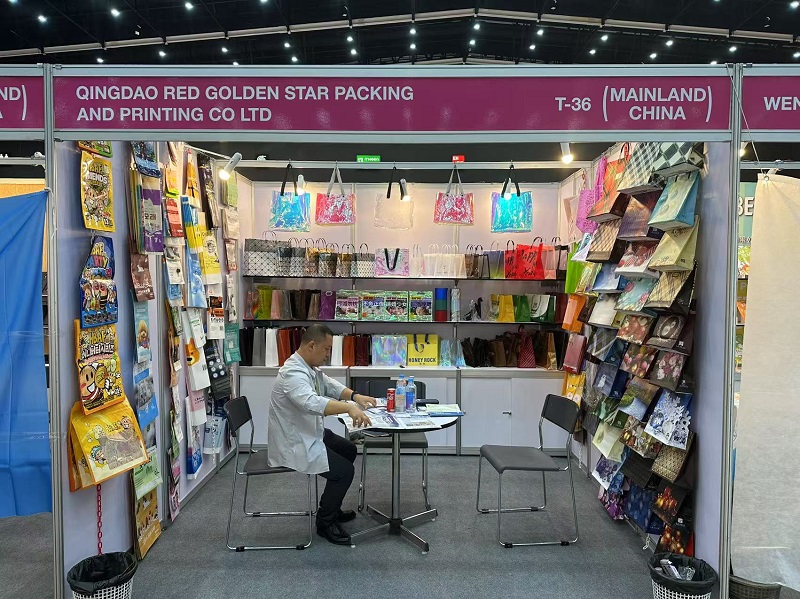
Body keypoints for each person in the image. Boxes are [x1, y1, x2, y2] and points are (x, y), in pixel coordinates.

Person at [268, 324, 377, 545]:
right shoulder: (292, 373)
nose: (328, 354)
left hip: (308, 431)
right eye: (326, 349)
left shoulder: (308, 368)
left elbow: (329, 386)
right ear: (311, 345)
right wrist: (348, 408)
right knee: (344, 472)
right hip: (294, 441)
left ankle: (332, 506)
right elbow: (311, 403)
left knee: (348, 450)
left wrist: (355, 396)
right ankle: (325, 523)